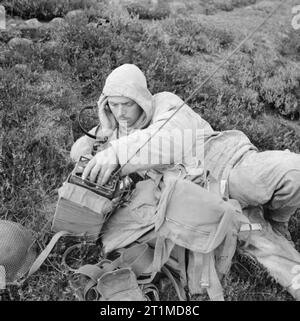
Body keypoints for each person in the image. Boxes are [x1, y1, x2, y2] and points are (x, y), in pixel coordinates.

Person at [71, 63, 300, 244]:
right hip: (199, 199)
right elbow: (78, 151)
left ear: (141, 99)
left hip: (224, 168)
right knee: (265, 252)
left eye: (127, 104)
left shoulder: (166, 103)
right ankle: (256, 220)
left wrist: (117, 153)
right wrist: (107, 130)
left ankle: (278, 221)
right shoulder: (113, 127)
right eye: (113, 104)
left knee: (293, 171)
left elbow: (169, 141)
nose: (120, 112)